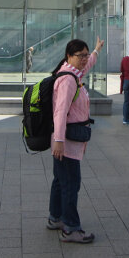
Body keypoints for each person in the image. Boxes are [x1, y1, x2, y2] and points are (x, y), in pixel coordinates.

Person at [48, 37, 104, 244]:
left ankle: (55, 218)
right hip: (67, 141)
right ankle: (71, 228)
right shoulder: (68, 80)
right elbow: (60, 112)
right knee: (71, 183)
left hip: (65, 139)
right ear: (68, 56)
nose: (84, 59)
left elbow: (87, 66)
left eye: (86, 55)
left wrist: (96, 50)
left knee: (60, 181)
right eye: (80, 56)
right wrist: (59, 140)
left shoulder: (72, 72)